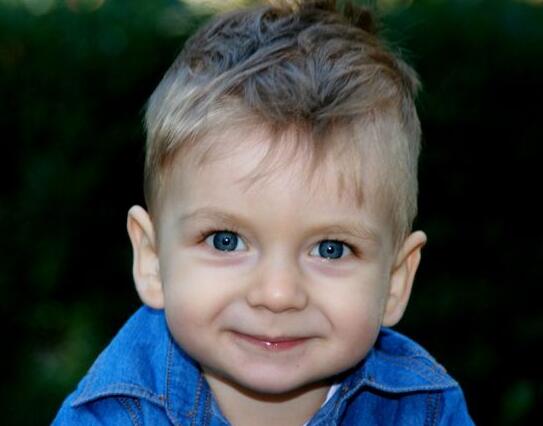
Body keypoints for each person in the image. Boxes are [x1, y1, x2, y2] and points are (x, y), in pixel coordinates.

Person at [54, 0, 474, 424]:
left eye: (330, 249)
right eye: (225, 241)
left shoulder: (426, 410)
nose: (277, 295)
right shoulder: (110, 415)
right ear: (153, 260)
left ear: (395, 281)